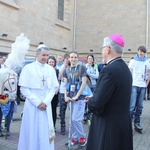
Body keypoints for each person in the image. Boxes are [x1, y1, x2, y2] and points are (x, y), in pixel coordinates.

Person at [86, 34, 133, 150]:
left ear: (108, 49)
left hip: (108, 125)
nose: (102, 51)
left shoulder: (109, 70)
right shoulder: (125, 68)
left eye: (102, 48)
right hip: (122, 122)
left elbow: (97, 102)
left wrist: (90, 101)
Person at [18, 45, 59, 150]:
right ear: (37, 55)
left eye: (47, 55)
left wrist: (45, 102)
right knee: (32, 130)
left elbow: (53, 88)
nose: (45, 58)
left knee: (45, 131)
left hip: (46, 105)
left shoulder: (50, 69)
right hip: (32, 106)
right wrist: (37, 102)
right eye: (43, 55)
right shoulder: (28, 68)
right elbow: (24, 89)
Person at [64, 51, 87, 147]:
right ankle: (74, 137)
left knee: (76, 119)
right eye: (71, 57)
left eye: (75, 57)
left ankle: (82, 137)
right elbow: (65, 84)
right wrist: (65, 95)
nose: (73, 59)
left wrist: (77, 96)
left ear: (78, 58)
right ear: (69, 58)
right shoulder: (67, 70)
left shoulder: (82, 68)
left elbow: (84, 83)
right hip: (70, 98)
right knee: (71, 120)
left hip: (80, 98)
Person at [129, 46, 150, 131]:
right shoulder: (133, 61)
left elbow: (149, 73)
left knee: (140, 106)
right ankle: (129, 123)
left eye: (142, 52)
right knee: (132, 106)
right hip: (134, 85)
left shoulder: (147, 62)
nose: (140, 53)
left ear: (144, 53)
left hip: (142, 86)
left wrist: (146, 84)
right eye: (139, 51)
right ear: (137, 51)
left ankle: (137, 123)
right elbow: (129, 73)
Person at [58, 53, 70, 135]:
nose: (67, 59)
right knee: (62, 110)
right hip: (62, 91)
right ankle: (63, 125)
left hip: (71, 92)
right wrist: (64, 66)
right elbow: (59, 76)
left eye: (68, 58)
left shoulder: (73, 67)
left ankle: (73, 127)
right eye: (65, 58)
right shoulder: (62, 66)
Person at [48, 56, 59, 130]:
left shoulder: (57, 71)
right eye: (50, 62)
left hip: (54, 93)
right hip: (47, 93)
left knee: (53, 109)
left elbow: (58, 81)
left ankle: (53, 126)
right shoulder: (45, 70)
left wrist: (57, 89)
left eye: (52, 62)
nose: (51, 63)